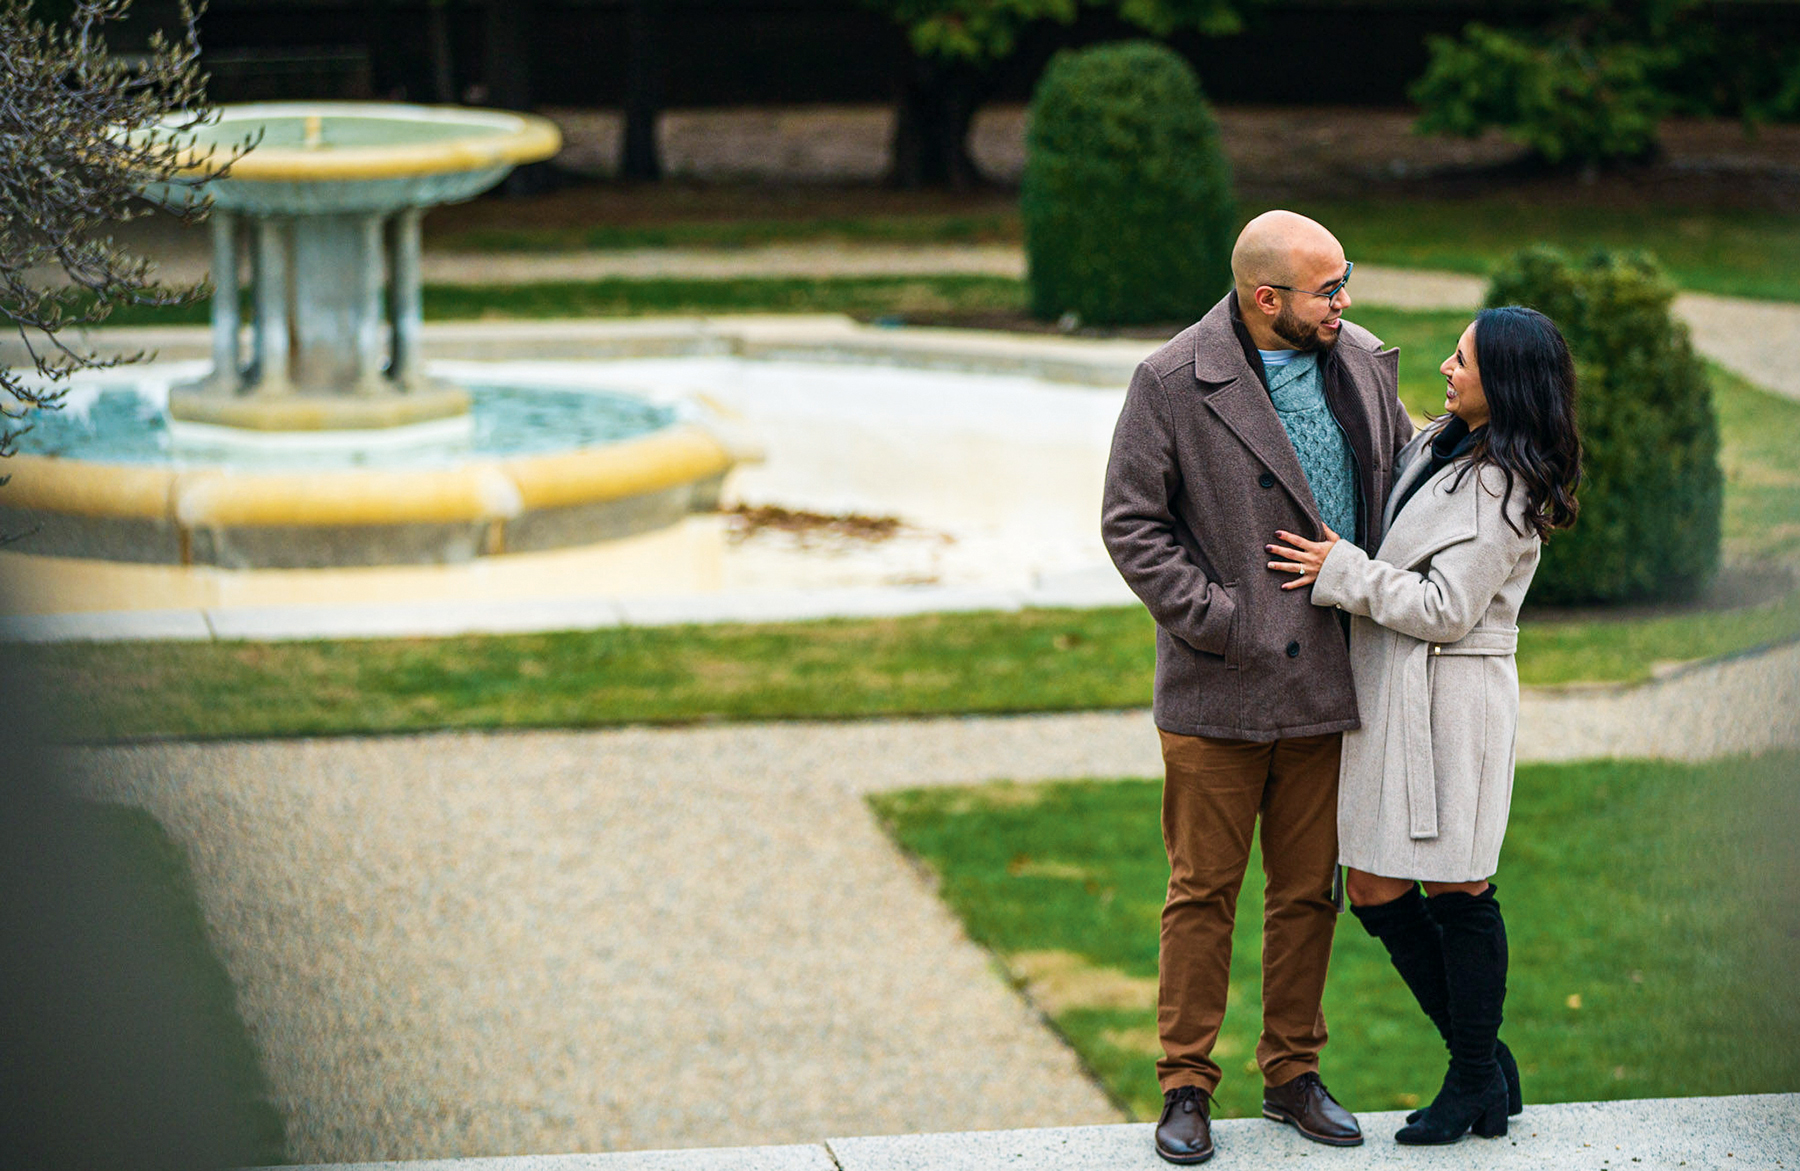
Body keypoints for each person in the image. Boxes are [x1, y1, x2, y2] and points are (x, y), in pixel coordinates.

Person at [1102, 210, 1415, 1165]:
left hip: (1333, 683)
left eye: (1346, 279)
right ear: (1266, 298)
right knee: (1202, 893)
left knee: (1308, 893)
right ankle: (1185, 1085)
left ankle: (1292, 1074)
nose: (1345, 301)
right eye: (1329, 288)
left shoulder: (1362, 360)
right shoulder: (1169, 380)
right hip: (1218, 691)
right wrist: (1222, 620)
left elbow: (1405, 483)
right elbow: (1131, 523)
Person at [1265, 305, 1582, 1145]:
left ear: (1503, 383)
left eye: (1462, 359)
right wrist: (1329, 321)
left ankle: (1472, 1075)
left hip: (1453, 701)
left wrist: (1341, 570)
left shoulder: (1507, 488)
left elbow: (1447, 608)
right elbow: (1385, 432)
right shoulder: (1445, 441)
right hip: (1393, 693)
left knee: (1458, 885)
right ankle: (1487, 1065)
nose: (1447, 366)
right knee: (1372, 883)